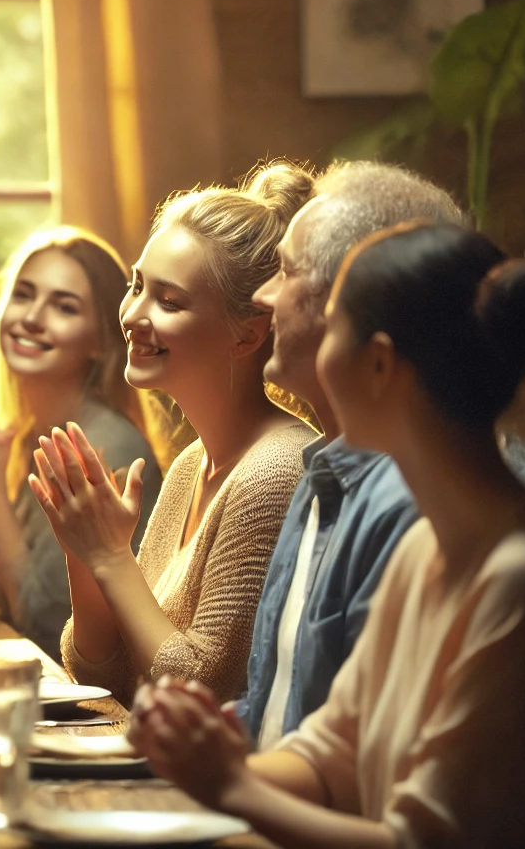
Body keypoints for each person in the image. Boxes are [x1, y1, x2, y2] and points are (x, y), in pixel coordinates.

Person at [130, 223, 525, 848]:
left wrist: (230, 787)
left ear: (377, 364)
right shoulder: (427, 548)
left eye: (334, 326)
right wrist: (191, 761)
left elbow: (418, 840)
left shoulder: (515, 579)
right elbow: (329, 754)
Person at [31, 162, 317, 705]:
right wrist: (86, 556)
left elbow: (198, 690)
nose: (134, 313)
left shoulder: (277, 471)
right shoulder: (191, 464)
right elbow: (109, 680)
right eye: (137, 285)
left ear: (247, 334)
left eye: (169, 300)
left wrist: (113, 558)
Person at [235, 162, 463, 749]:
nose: (263, 297)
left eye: (286, 272)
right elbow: (280, 713)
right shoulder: (320, 472)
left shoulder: (421, 500)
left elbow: (367, 764)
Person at [0, 227, 168, 660]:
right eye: (23, 295)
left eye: (64, 307)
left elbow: (47, 629)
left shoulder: (102, 448)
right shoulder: (14, 429)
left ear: (101, 340)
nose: (33, 317)